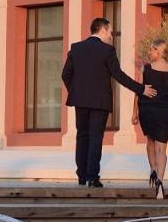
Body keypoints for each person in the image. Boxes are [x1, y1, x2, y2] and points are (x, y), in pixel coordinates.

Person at [62, 17, 157, 188]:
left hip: (80, 102)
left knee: (82, 137)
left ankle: (82, 177)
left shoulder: (76, 48)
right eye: (110, 32)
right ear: (103, 30)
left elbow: (65, 75)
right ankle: (92, 178)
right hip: (100, 102)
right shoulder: (107, 50)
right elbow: (118, 75)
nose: (111, 36)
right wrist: (141, 89)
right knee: (95, 138)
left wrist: (76, 93)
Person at [133, 39, 168, 199]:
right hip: (164, 111)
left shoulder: (145, 69)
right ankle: (160, 181)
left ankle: (153, 169)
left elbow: (138, 92)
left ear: (158, 52)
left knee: (150, 141)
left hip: (147, 109)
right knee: (162, 148)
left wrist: (134, 113)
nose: (149, 52)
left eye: (151, 49)